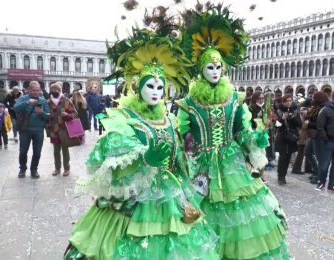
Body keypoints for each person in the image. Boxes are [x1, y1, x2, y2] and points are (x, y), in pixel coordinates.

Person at [64, 25, 218, 260]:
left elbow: (177, 160)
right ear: (137, 86)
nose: (156, 92)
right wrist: (144, 159)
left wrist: (188, 173)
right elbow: (113, 162)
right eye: (150, 86)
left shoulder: (169, 119)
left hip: (171, 195)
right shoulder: (125, 119)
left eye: (160, 87)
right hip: (136, 198)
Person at [176, 4, 289, 259]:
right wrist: (185, 156)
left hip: (232, 166)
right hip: (202, 167)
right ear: (201, 70)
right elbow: (185, 138)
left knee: (238, 212)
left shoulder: (234, 100)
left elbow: (242, 133)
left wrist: (258, 135)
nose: (215, 72)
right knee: (200, 211)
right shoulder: (189, 104)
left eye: (218, 68)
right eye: (209, 68)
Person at [13, 81, 49, 179]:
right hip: (25, 130)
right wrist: (27, 102)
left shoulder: (43, 101)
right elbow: (15, 108)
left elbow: (48, 116)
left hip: (38, 130)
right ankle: (22, 169)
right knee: (23, 151)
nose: (35, 92)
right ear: (29, 90)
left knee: (37, 152)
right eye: (33, 90)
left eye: (37, 90)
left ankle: (34, 169)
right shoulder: (23, 98)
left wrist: (42, 113)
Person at [46, 83, 77, 177]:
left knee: (65, 149)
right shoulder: (48, 102)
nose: (55, 91)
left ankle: (67, 168)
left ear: (61, 90)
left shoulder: (67, 101)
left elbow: (75, 114)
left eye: (57, 90)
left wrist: (68, 115)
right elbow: (45, 115)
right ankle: (57, 168)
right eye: (53, 89)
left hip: (64, 129)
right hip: (53, 130)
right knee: (56, 150)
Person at [275, 94, 302, 185]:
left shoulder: (295, 111)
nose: (289, 102)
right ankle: (280, 176)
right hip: (282, 137)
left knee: (288, 158)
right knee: (282, 158)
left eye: (290, 100)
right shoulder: (278, 111)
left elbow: (300, 124)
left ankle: (284, 175)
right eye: (287, 101)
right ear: (283, 102)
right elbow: (276, 125)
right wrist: (282, 119)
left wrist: (293, 118)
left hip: (291, 138)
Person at [304, 91, 329, 184]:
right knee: (308, 152)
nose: (312, 99)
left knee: (320, 157)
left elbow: (322, 124)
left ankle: (320, 176)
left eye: (314, 98)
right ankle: (316, 171)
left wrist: (309, 123)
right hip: (314, 135)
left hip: (320, 135)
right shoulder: (317, 107)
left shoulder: (324, 108)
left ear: (319, 99)